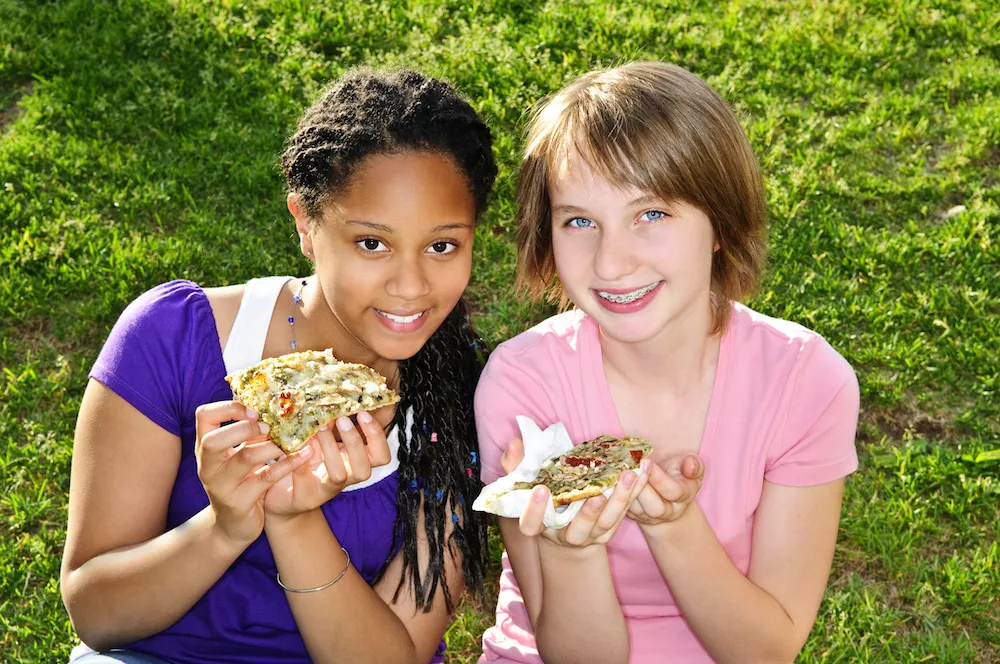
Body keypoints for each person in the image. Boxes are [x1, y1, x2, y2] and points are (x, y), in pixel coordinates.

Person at [61, 67, 497, 664]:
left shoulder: (466, 394)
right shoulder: (174, 337)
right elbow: (96, 614)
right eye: (372, 242)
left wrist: (294, 522)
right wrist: (224, 527)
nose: (411, 285)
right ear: (305, 224)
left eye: (442, 245)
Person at [474, 61, 860, 663]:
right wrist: (570, 549)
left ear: (720, 225)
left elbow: (765, 651)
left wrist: (673, 526)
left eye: (651, 214)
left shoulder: (804, 382)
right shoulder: (523, 386)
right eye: (579, 221)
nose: (611, 262)